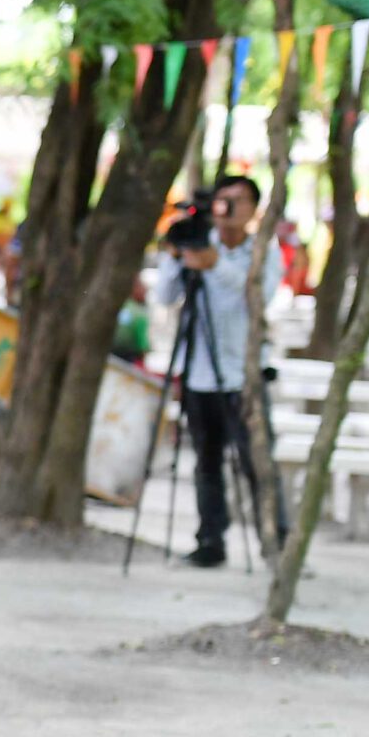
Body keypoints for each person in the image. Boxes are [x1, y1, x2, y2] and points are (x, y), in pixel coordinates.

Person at [154, 172, 274, 568]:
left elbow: (258, 295)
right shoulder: (198, 244)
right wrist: (175, 257)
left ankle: (276, 543)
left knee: (257, 463)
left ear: (252, 209)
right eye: (223, 201)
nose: (227, 209)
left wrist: (214, 264)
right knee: (206, 463)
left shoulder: (262, 251)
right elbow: (165, 296)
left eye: (237, 201)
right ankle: (210, 541)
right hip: (198, 373)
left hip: (243, 375)